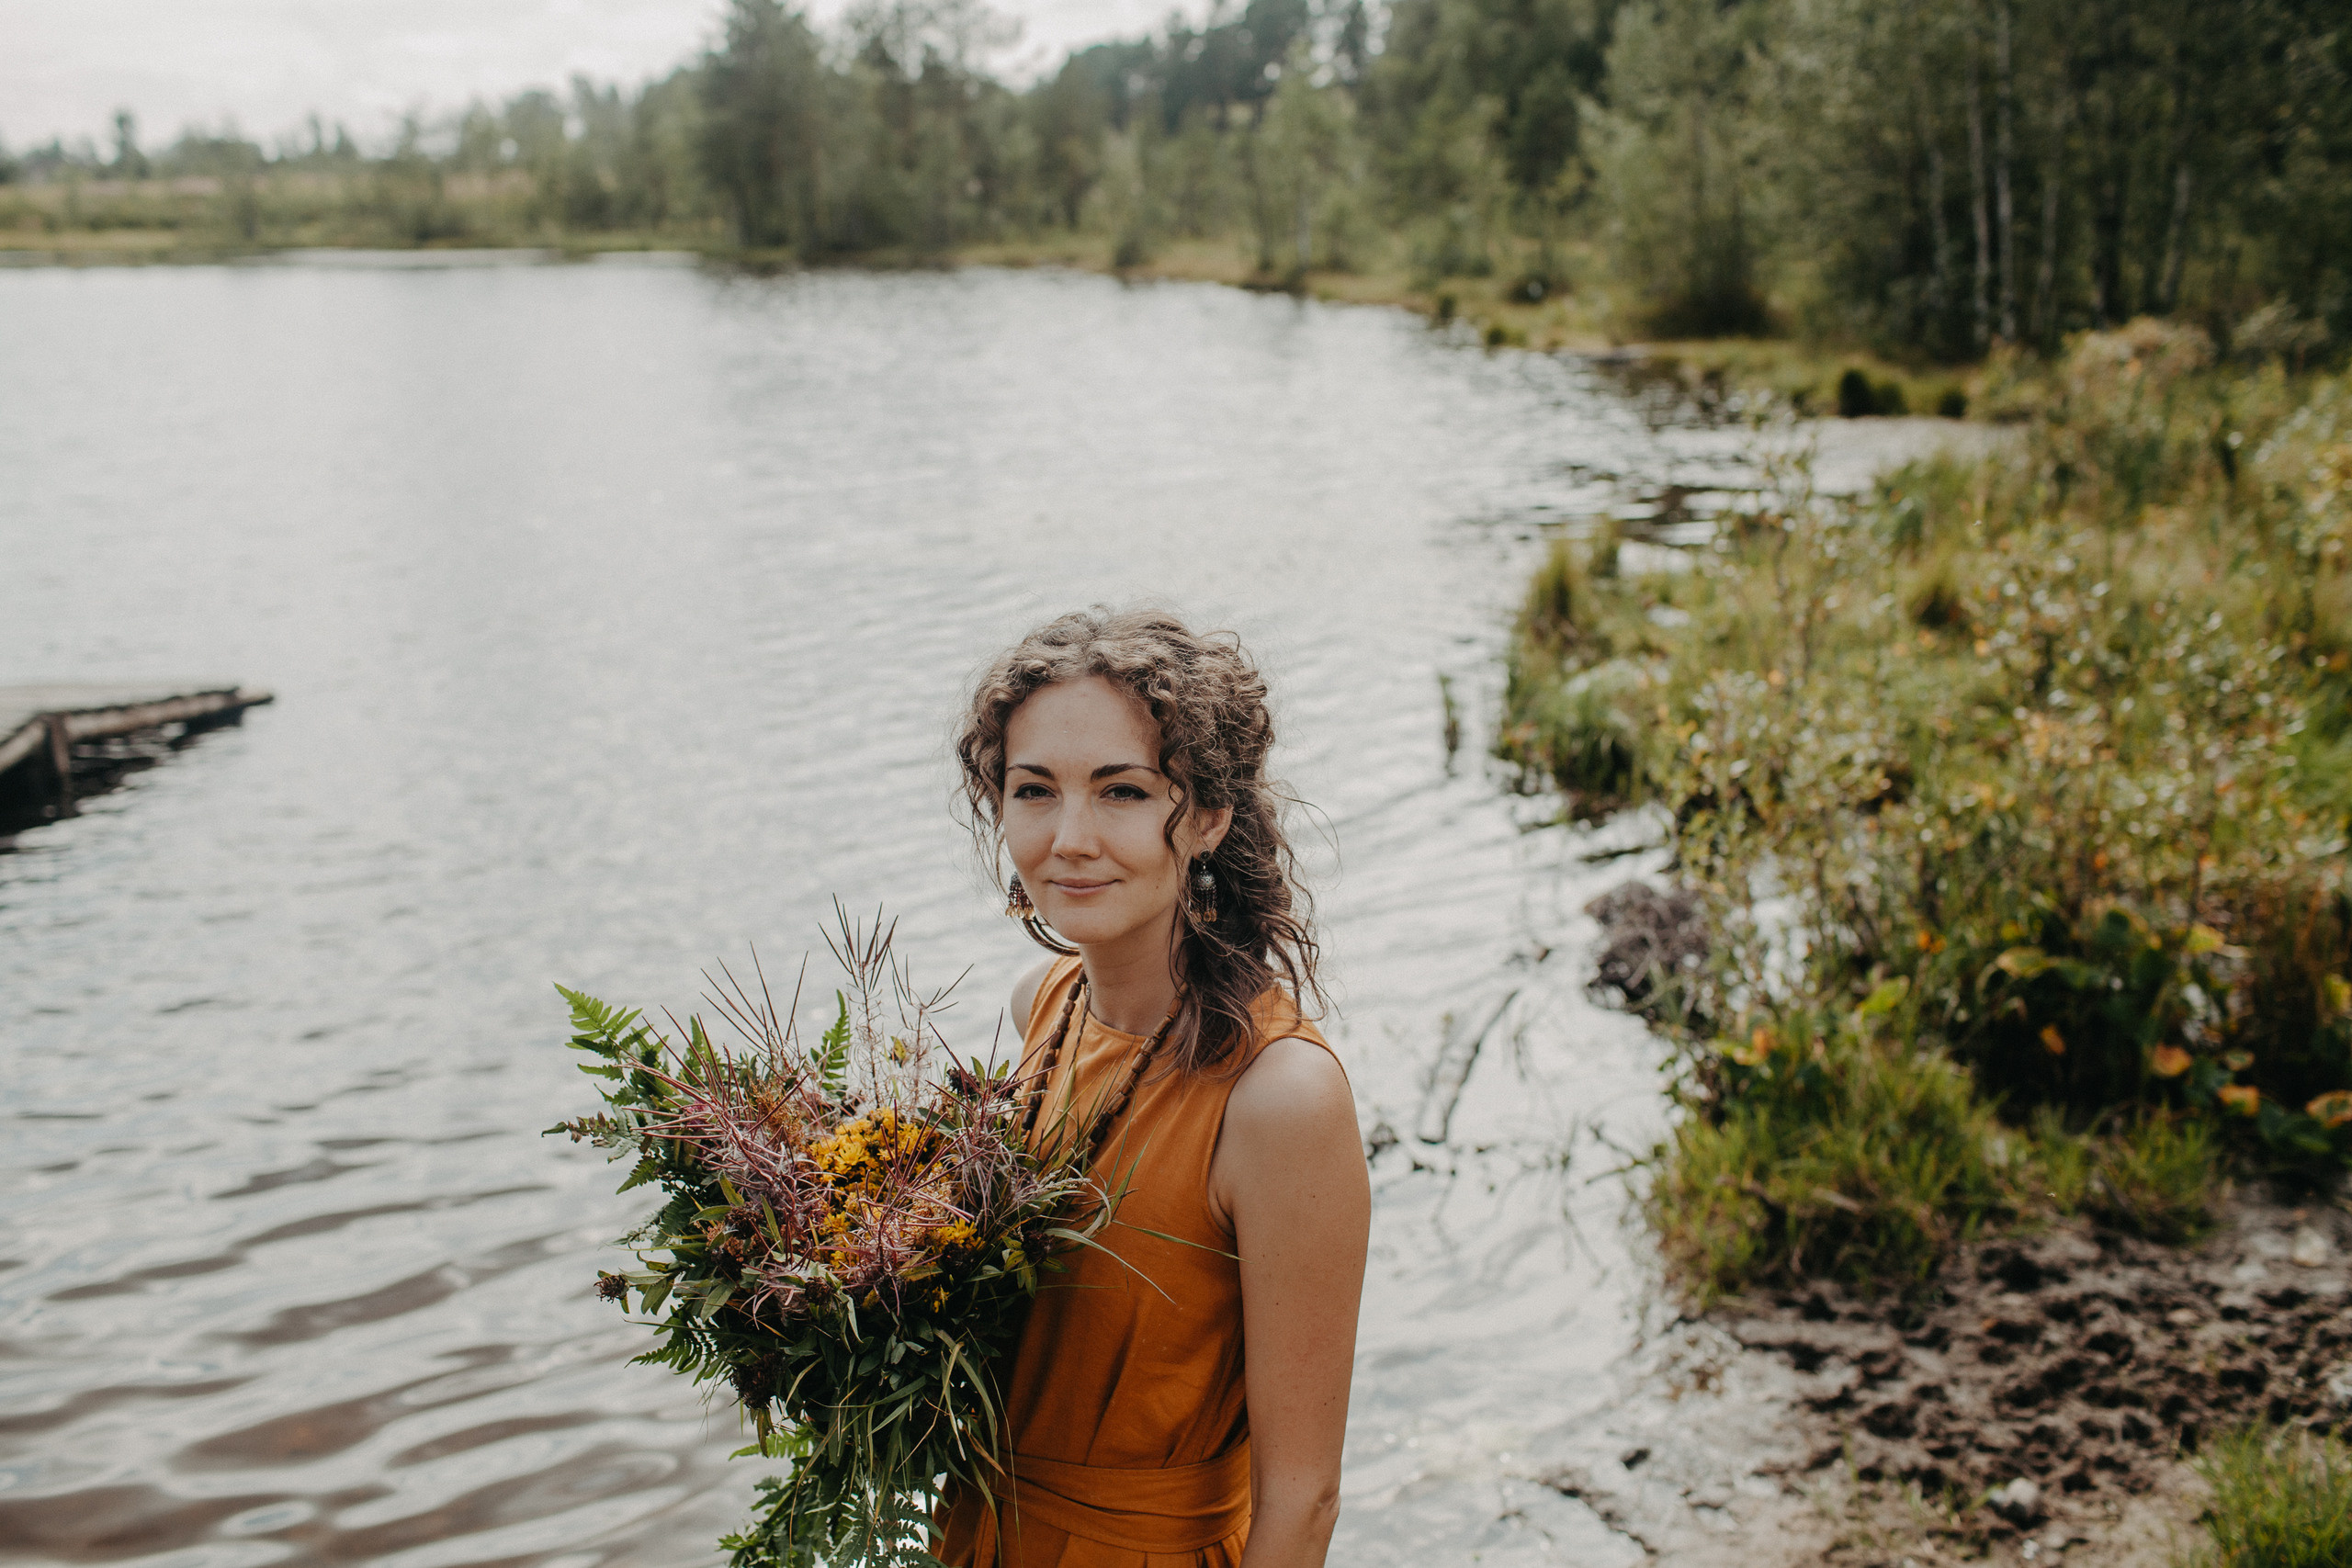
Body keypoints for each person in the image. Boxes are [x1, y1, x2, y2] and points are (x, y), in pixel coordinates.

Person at [935, 607, 1371, 1568]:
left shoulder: (1277, 1097)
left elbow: (1303, 1501)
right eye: (1033, 790)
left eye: (1123, 792)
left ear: (1209, 815)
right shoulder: (1039, 1006)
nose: (1070, 839)